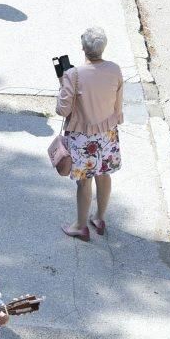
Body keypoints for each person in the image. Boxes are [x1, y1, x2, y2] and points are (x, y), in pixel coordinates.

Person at [57, 26, 124, 241]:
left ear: (83, 48)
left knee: (84, 181)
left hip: (82, 136)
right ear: (103, 48)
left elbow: (62, 110)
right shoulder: (115, 69)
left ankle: (80, 225)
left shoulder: (73, 75)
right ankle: (100, 217)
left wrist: (63, 84)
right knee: (103, 174)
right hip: (107, 132)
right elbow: (118, 104)